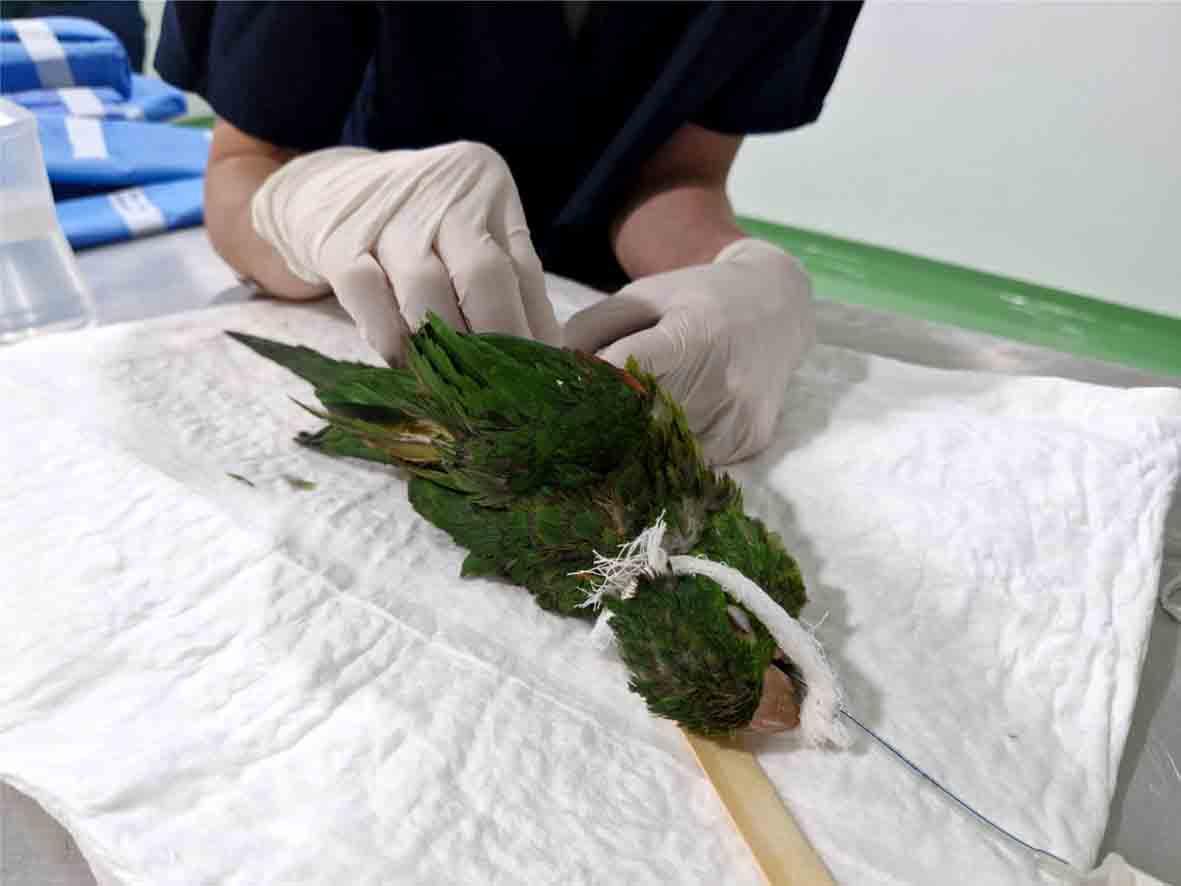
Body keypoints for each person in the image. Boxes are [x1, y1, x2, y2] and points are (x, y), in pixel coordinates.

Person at [156, 2, 861, 465]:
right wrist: (312, 205)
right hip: (354, 280)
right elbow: (246, 161)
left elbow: (677, 176)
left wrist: (738, 268)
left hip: (593, 303)